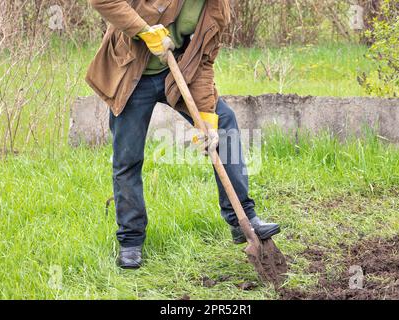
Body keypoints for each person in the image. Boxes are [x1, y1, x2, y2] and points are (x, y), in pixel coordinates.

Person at [86, 0, 281, 269]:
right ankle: (130, 240)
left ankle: (242, 218)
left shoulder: (217, 8)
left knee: (224, 123)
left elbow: (203, 61)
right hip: (132, 74)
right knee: (127, 159)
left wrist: (207, 118)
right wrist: (144, 30)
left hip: (176, 76)